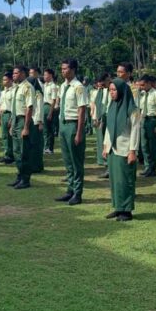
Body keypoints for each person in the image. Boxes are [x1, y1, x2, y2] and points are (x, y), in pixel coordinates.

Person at [103, 78, 141, 222]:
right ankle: (118, 207)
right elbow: (109, 127)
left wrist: (133, 151)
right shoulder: (112, 106)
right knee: (115, 180)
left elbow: (135, 131)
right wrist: (106, 145)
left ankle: (126, 210)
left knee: (125, 180)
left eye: (114, 90)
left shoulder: (132, 109)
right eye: (110, 90)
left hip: (125, 149)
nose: (112, 93)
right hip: (113, 148)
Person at [56, 59, 88, 205]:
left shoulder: (78, 87)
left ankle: (77, 192)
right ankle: (70, 190)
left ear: (73, 69)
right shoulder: (63, 86)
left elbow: (82, 109)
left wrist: (79, 132)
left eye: (66, 68)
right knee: (68, 161)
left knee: (76, 161)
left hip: (73, 125)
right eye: (62, 69)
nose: (63, 71)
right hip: (63, 124)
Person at [9, 65, 35, 189]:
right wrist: (11, 123)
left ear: (23, 74)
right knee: (16, 152)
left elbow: (29, 108)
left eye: (16, 73)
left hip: (23, 120)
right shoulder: (16, 88)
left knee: (24, 152)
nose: (13, 75)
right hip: (16, 120)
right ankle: (19, 176)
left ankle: (25, 179)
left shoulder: (27, 87)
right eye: (13, 73)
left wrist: (26, 127)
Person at [139, 75, 156, 178]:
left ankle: (152, 168)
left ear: (148, 83)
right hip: (144, 120)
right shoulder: (142, 94)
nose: (141, 87)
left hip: (152, 120)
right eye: (140, 85)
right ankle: (147, 167)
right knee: (144, 145)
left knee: (152, 146)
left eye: (143, 85)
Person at [92, 74, 111, 178]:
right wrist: (96, 118)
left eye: (103, 83)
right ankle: (105, 164)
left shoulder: (112, 90)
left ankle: (109, 167)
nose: (101, 85)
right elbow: (97, 105)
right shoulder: (101, 91)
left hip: (109, 118)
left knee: (108, 142)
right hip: (102, 118)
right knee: (102, 141)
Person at [0, 71, 15, 165]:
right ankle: (6, 154)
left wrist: (11, 119)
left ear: (10, 80)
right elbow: (1, 105)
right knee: (4, 136)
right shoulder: (3, 91)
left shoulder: (13, 91)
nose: (3, 81)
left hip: (9, 114)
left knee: (10, 136)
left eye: (5, 80)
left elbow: (13, 106)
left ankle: (11, 155)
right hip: (3, 114)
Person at [30, 77, 45, 173]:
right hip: (32, 121)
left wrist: (40, 122)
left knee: (36, 145)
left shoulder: (38, 94)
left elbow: (39, 109)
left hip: (36, 121)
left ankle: (37, 166)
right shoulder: (32, 93)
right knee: (32, 145)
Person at [43, 68, 59, 155]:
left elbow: (53, 100)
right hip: (44, 106)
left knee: (50, 129)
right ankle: (45, 147)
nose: (44, 76)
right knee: (45, 129)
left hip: (49, 107)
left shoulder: (53, 86)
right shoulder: (44, 85)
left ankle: (50, 147)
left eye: (46, 75)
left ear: (50, 75)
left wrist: (50, 113)